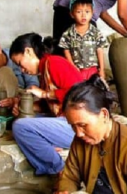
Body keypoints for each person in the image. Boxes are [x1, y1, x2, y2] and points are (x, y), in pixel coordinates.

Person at [9, 33, 84, 175]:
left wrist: (44, 94)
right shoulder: (44, 70)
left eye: (20, 64)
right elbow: (50, 105)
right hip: (67, 122)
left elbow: (80, 93)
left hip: (80, 125)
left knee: (20, 127)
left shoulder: (54, 62)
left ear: (28, 51)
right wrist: (26, 107)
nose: (22, 70)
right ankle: (47, 147)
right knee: (23, 120)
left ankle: (59, 170)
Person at [59, 0, 108, 80]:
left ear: (92, 13)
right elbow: (66, 51)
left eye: (87, 11)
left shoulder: (96, 33)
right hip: (77, 70)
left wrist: (102, 69)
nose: (83, 15)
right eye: (79, 12)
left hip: (93, 70)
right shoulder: (68, 34)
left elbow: (100, 50)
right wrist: (72, 66)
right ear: (72, 14)